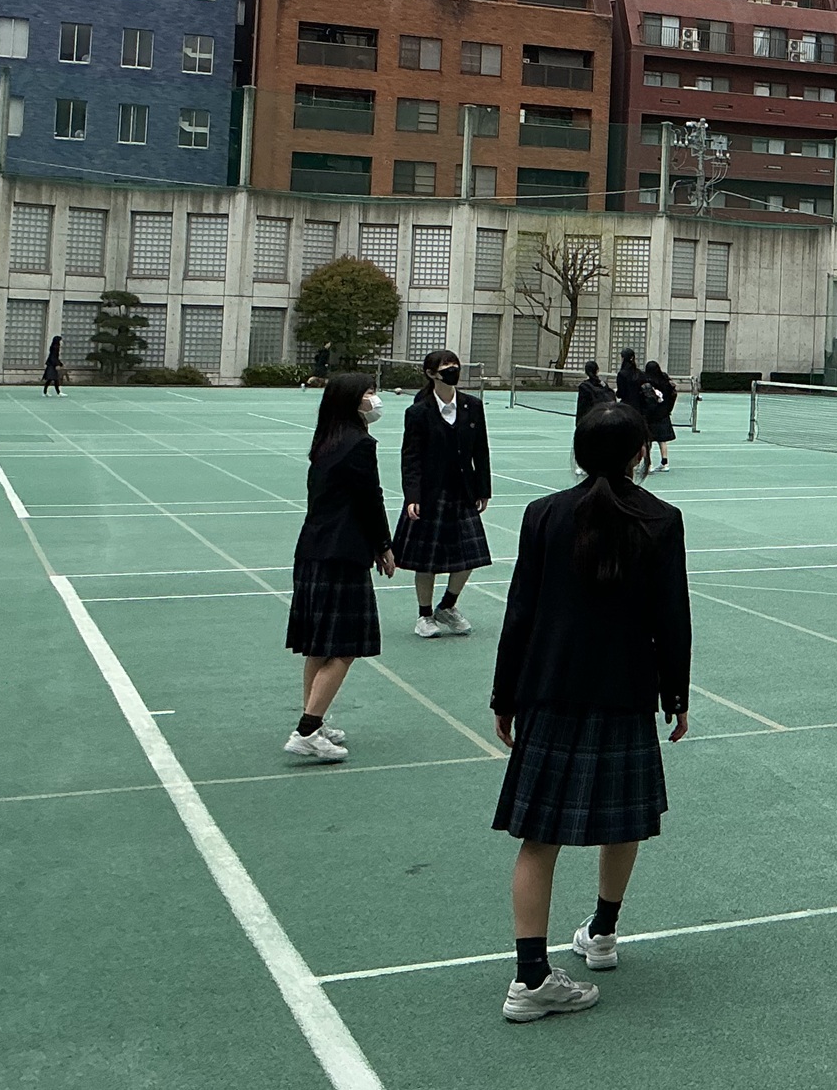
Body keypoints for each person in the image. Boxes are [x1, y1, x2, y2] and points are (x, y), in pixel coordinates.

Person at [491, 401, 691, 1024]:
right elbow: (672, 618)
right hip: (624, 691)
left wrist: (504, 695)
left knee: (538, 837)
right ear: (640, 453)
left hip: (549, 689)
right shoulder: (661, 519)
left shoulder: (543, 514)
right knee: (623, 819)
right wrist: (676, 695)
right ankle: (601, 933)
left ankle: (531, 975)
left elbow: (520, 611)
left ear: (578, 452)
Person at [284, 374, 397, 763]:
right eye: (369, 392)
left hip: (313, 548)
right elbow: (370, 498)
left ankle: (313, 721)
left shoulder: (326, 440)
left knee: (318, 645)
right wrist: (384, 545)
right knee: (344, 648)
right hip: (342, 553)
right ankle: (306, 731)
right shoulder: (359, 444)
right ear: (353, 401)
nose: (375, 398)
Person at [398, 349, 494, 640]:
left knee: (471, 557)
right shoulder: (418, 411)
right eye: (446, 366)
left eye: (455, 364)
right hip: (430, 494)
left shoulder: (472, 406)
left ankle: (447, 606)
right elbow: (411, 457)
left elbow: (481, 450)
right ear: (431, 374)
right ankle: (425, 614)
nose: (453, 370)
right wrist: (412, 496)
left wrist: (483, 489)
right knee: (426, 560)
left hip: (463, 491)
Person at [641, 361, 678, 471]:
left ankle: (649, 465)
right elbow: (672, 395)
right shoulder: (665, 380)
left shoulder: (646, 381)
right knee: (662, 440)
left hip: (650, 415)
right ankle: (665, 463)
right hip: (663, 414)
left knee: (648, 441)